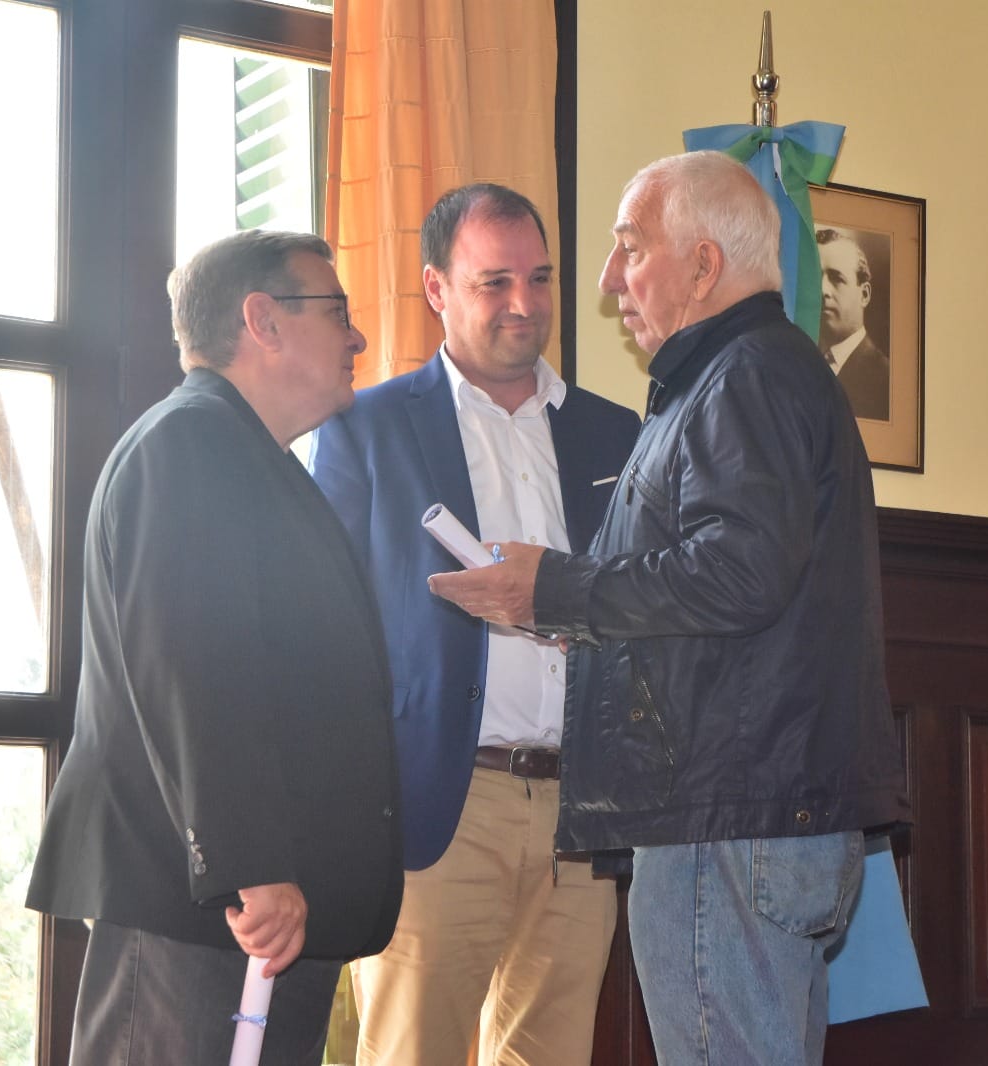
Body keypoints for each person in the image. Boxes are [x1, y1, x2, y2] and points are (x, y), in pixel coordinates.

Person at [427, 152, 910, 1066]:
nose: (608, 281)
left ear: (702, 266)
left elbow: (738, 574)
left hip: (727, 819)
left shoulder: (744, 378)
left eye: (630, 248)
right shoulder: (754, 372)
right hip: (755, 811)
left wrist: (551, 588)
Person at [25, 230, 403, 1066]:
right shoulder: (189, 445)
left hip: (253, 917)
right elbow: (191, 670)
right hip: (206, 911)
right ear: (262, 320)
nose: (356, 337)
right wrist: (252, 864)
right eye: (336, 311)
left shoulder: (253, 460)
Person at [311, 183, 640, 1066]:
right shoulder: (368, 428)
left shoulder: (616, 435)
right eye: (495, 282)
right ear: (437, 288)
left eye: (540, 278)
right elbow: (326, 631)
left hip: (583, 813)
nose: (524, 303)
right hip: (437, 809)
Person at [816, 226, 890, 420]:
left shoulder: (886, 381)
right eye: (815, 277)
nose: (823, 290)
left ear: (864, 295)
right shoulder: (798, 365)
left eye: (836, 278)